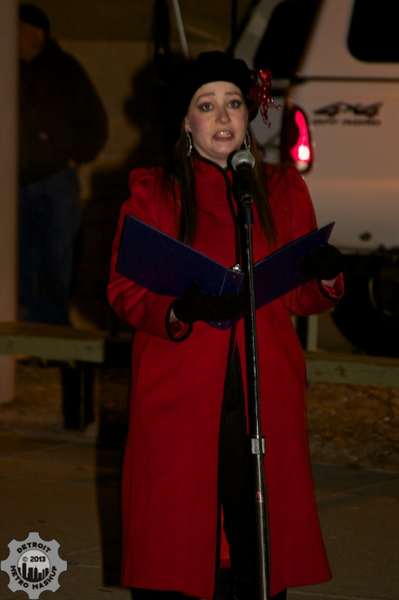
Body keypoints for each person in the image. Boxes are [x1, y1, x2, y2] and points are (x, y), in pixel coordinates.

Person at [107, 51, 344, 600]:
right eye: (206, 106)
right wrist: (180, 310)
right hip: (182, 389)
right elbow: (124, 291)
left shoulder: (281, 189)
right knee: (182, 533)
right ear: (186, 122)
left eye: (233, 104)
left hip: (263, 388)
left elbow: (303, 297)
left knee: (256, 534)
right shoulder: (155, 191)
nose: (222, 118)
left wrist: (327, 278)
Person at [18, 3, 108, 324]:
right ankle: (32, 331)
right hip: (19, 184)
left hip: (56, 182)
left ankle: (55, 330)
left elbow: (96, 124)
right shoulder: (11, 72)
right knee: (25, 261)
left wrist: (71, 158)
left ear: (35, 33)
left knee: (56, 257)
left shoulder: (65, 70)